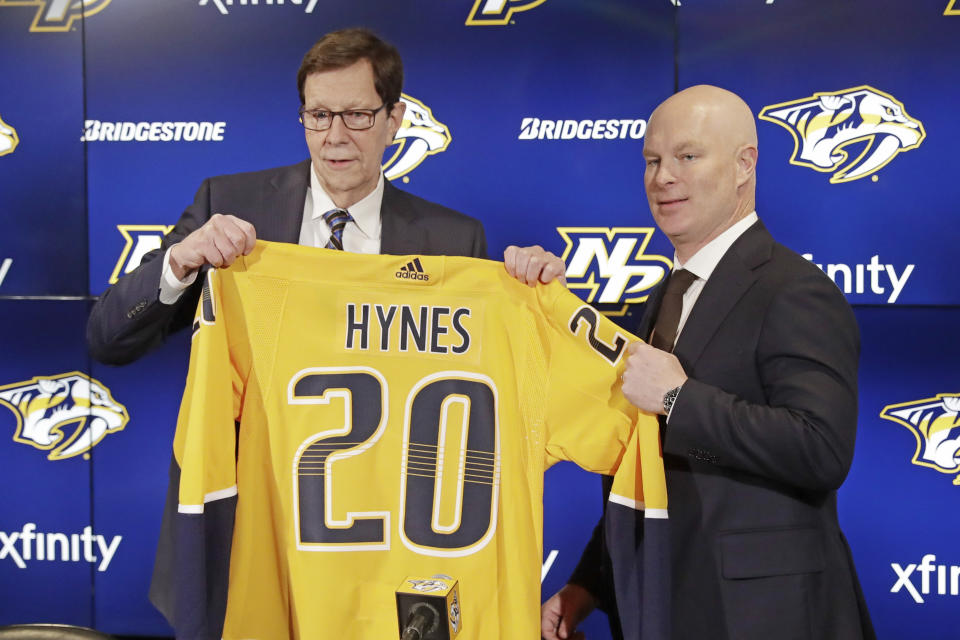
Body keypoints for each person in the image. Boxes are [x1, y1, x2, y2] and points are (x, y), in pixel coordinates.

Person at [541, 85, 875, 640]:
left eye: (687, 156)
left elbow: (821, 448)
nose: (663, 176)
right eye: (652, 160)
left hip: (766, 619)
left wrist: (679, 399)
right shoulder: (661, 297)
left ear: (746, 164)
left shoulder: (795, 290)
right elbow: (647, 472)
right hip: (663, 608)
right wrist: (588, 586)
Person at [86, 27, 561, 365]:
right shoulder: (227, 204)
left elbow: (486, 377)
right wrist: (179, 265)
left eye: (356, 115)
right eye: (318, 115)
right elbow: (108, 341)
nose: (334, 136)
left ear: (393, 121)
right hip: (248, 491)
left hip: (382, 495)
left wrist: (536, 305)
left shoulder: (454, 240)